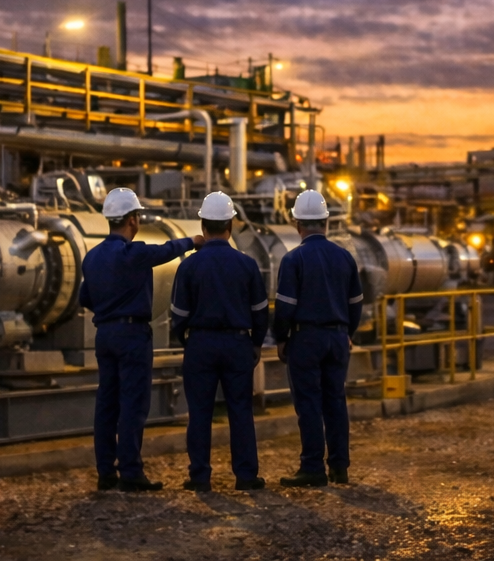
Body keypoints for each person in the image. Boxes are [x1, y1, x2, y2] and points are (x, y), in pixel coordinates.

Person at [80, 187, 203, 492]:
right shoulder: (133, 254)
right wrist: (193, 242)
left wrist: (109, 311)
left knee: (107, 404)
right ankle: (131, 472)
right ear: (133, 220)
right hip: (132, 335)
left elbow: (85, 297)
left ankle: (106, 472)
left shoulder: (92, 258)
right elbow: (164, 251)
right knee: (133, 404)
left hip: (105, 334)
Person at [170, 191, 269, 492]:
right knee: (240, 410)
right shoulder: (247, 265)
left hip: (201, 344)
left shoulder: (189, 266)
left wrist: (187, 340)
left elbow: (178, 313)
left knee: (199, 412)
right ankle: (246, 476)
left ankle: (200, 477)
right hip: (237, 344)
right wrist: (256, 343)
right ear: (230, 224)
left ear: (202, 225)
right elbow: (260, 311)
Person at [273, 189, 363, 487]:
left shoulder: (293, 259)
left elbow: (285, 306)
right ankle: (340, 467)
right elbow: (356, 303)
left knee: (309, 403)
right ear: (326, 222)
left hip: (306, 339)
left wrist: (281, 338)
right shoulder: (345, 258)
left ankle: (312, 467)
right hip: (337, 338)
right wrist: (347, 333)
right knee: (336, 401)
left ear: (297, 224)